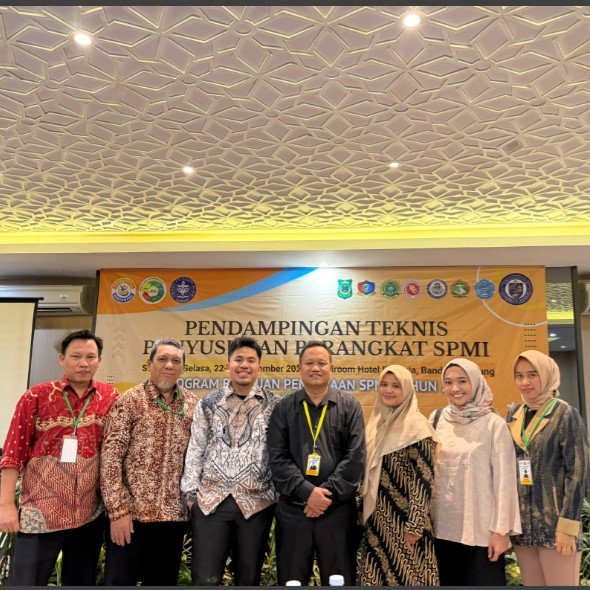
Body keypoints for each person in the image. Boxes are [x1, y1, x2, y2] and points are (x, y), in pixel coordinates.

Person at [0, 329, 118, 586]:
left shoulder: (111, 397)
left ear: (99, 360)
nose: (83, 363)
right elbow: (13, 453)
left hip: (88, 514)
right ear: (62, 359)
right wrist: (6, 504)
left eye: (90, 357)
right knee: (26, 582)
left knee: (80, 582)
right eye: (76, 356)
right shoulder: (36, 396)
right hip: (40, 512)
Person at [180, 336, 279, 585]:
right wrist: (191, 496)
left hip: (257, 504)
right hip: (211, 502)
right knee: (205, 579)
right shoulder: (209, 402)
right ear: (228, 365)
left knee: (248, 579)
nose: (244, 365)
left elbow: (280, 452)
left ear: (259, 367)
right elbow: (196, 447)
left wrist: (276, 495)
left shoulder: (274, 405)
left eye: (251, 360)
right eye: (238, 359)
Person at [100, 338, 197, 586]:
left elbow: (196, 459)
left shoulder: (192, 405)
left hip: (173, 520)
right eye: (162, 359)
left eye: (176, 361)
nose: (169, 365)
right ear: (149, 364)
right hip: (131, 519)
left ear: (183, 367)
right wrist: (118, 512)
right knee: (120, 582)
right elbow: (111, 458)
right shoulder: (129, 401)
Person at [267, 341, 365, 586]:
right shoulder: (284, 408)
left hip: (337, 512)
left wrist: (324, 496)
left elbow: (355, 456)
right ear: (299, 368)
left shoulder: (349, 406)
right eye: (309, 363)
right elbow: (277, 457)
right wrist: (308, 493)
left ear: (331, 367)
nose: (315, 368)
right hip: (294, 511)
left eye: (321, 363)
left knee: (339, 580)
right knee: (291, 580)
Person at [431, 357, 521, 586]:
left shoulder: (493, 424)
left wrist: (501, 531)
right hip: (440, 529)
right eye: (448, 382)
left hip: (481, 532)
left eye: (462, 381)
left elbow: (505, 482)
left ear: (476, 382)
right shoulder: (437, 419)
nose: (455, 388)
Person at [507, 350, 589, 586]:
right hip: (524, 529)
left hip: (556, 527)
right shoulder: (514, 415)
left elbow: (578, 472)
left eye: (532, 375)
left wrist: (568, 527)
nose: (525, 382)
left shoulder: (565, 414)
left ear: (547, 375)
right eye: (519, 375)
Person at [358, 364, 439, 586]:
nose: (388, 390)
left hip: (406, 522)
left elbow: (424, 479)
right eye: (384, 384)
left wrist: (415, 526)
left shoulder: (418, 427)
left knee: (408, 578)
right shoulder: (375, 424)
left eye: (396, 386)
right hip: (377, 522)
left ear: (407, 390)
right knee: (375, 578)